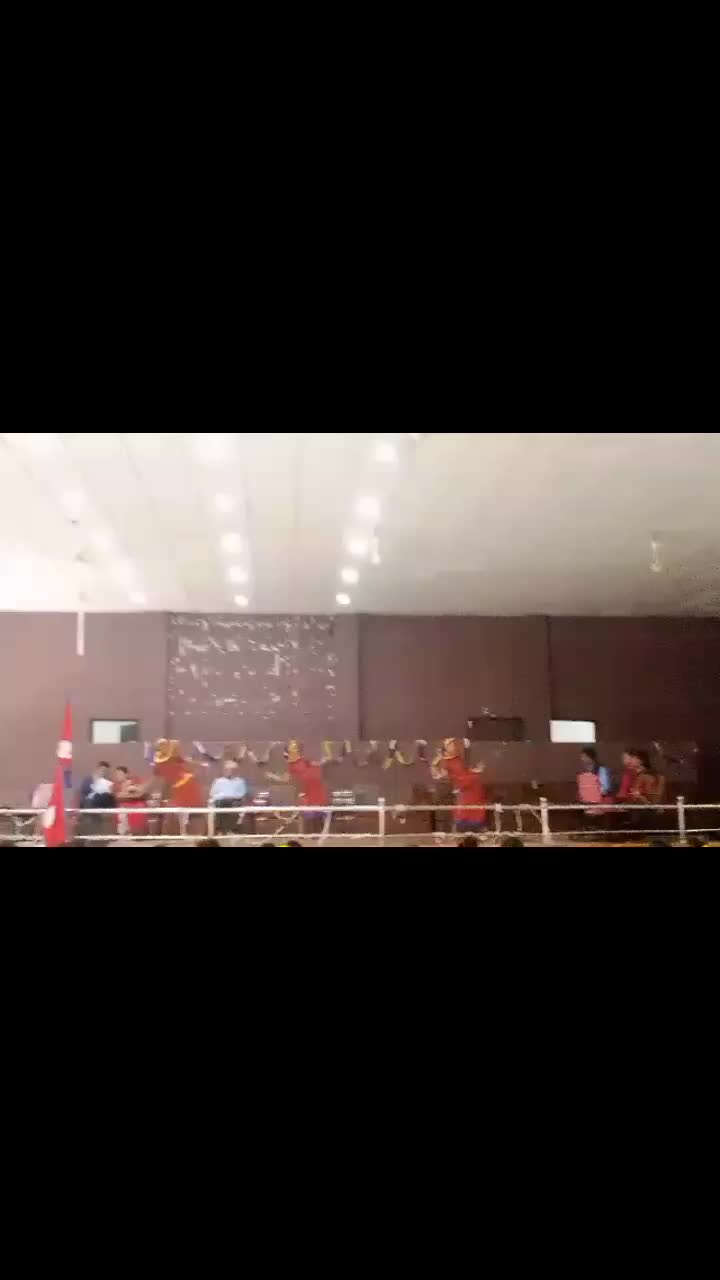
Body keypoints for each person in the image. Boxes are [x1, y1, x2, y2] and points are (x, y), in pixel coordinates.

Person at [431, 739, 487, 835]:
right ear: (445, 748)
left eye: (453, 743)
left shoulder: (459, 758)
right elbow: (438, 775)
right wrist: (436, 762)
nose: (453, 745)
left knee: (476, 809)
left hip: (472, 788)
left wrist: (475, 771)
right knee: (463, 813)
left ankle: (478, 831)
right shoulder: (445, 762)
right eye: (449, 744)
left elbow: (466, 769)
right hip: (463, 789)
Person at [209, 759, 248, 833]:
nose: (229, 771)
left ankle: (230, 829)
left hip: (235, 800)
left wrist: (232, 797)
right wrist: (222, 797)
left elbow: (242, 794)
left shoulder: (240, 781)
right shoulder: (218, 781)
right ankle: (220, 830)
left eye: (231, 769)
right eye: (227, 769)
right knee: (220, 804)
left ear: (235, 771)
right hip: (221, 800)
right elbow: (212, 794)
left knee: (235, 806)